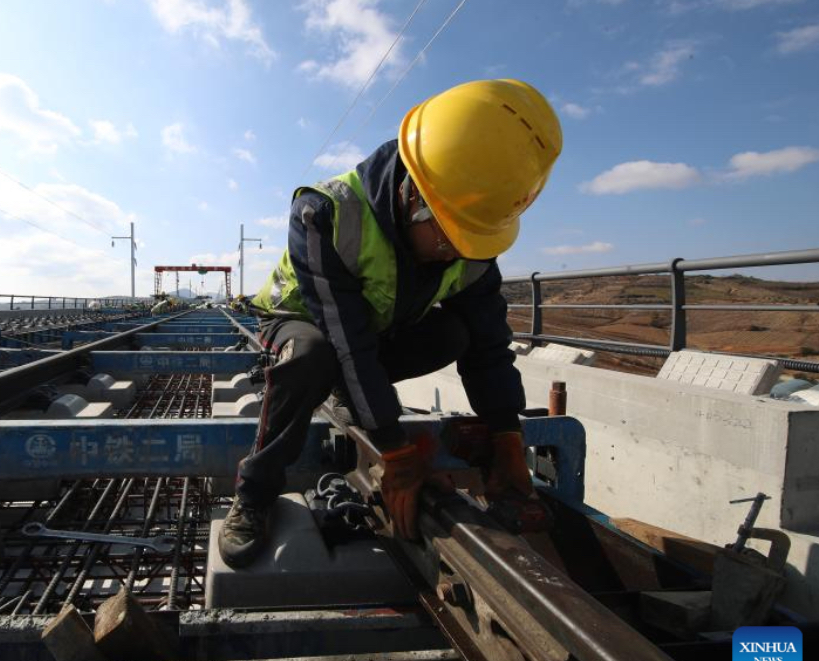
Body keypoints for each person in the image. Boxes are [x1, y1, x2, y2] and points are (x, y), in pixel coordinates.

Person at [218, 79, 563, 569]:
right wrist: (396, 451)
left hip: (374, 331)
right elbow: (347, 343)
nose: (456, 254)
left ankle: (354, 396)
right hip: (303, 321)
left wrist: (507, 433)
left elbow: (489, 345)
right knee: (313, 356)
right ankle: (253, 493)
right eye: (448, 238)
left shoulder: (470, 244)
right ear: (412, 197)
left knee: (455, 333)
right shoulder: (327, 213)